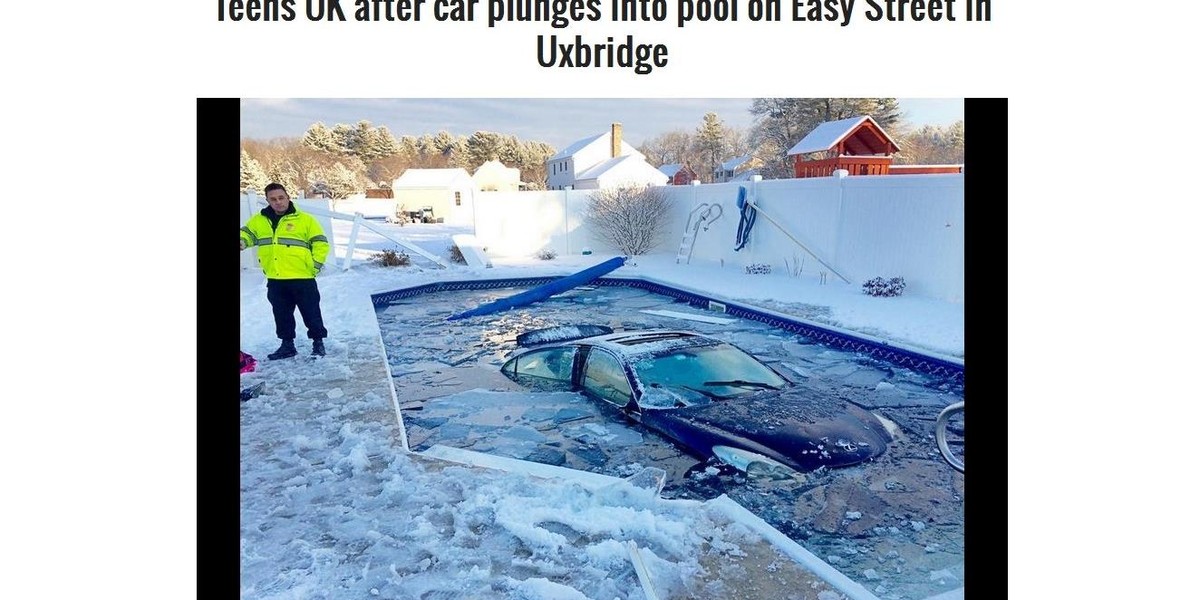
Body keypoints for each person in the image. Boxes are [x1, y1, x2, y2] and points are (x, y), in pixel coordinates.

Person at [240, 183, 329, 359]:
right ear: (267, 201)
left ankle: (318, 343)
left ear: (288, 197)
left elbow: (320, 243)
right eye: (273, 199)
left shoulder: (305, 220)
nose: (278, 202)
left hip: (302, 277)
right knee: (281, 315)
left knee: (311, 313)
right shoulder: (259, 220)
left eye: (281, 198)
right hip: (276, 278)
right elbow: (247, 234)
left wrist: (315, 265)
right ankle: (287, 345)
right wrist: (242, 241)